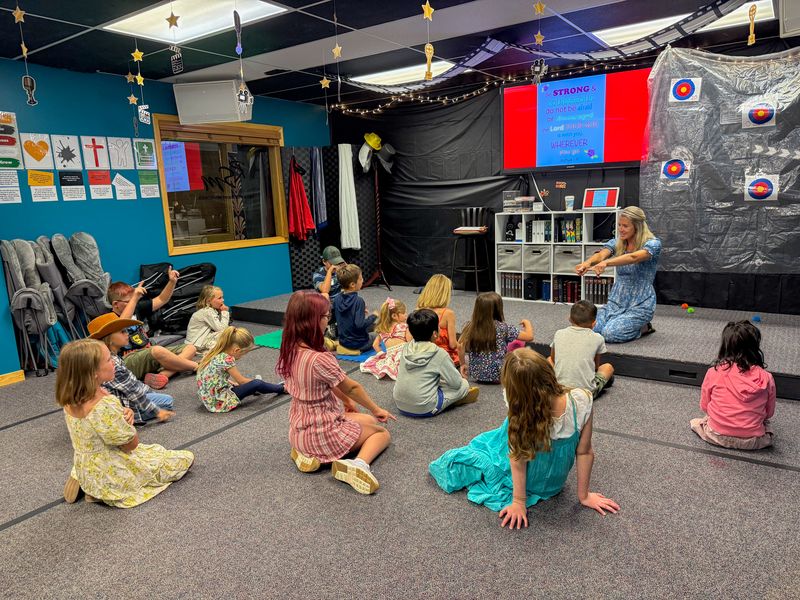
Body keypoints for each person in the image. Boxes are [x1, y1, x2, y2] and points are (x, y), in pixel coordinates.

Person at [429, 348, 619, 529]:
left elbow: (518, 458)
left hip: (528, 470)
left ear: (514, 392)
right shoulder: (582, 400)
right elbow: (584, 452)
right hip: (546, 479)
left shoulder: (521, 413)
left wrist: (519, 502)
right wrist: (583, 496)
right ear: (549, 372)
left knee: (480, 454)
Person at [277, 291, 395, 495]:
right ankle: (358, 465)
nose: (328, 321)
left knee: (367, 421)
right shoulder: (319, 358)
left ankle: (305, 453)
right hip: (322, 435)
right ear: (313, 321)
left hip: (299, 430)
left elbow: (331, 384)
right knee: (381, 433)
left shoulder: (289, 347)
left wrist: (347, 402)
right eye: (326, 316)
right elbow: (352, 387)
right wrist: (377, 409)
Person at [59, 339, 194, 508]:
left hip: (87, 466)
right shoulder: (104, 403)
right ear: (93, 373)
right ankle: (104, 490)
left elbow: (93, 430)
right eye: (109, 360)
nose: (113, 362)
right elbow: (130, 445)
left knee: (95, 450)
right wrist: (127, 423)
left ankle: (84, 480)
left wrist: (124, 412)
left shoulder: (69, 400)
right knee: (182, 459)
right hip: (113, 472)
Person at [574, 206, 662, 343]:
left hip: (640, 303)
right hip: (617, 300)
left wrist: (606, 263)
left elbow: (633, 257)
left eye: (625, 226)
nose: (620, 229)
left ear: (637, 227)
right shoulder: (617, 242)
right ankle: (619, 321)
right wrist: (587, 263)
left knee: (609, 334)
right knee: (593, 329)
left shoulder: (653, 244)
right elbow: (601, 255)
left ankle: (644, 327)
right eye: (619, 225)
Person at [690, 321, 776, 450]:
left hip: (716, 435)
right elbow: (769, 413)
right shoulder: (767, 377)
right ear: (755, 347)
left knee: (697, 422)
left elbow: (705, 406)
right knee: (766, 425)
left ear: (725, 347)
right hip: (752, 441)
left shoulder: (714, 372)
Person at [108, 270, 198, 389]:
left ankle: (162, 375)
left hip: (148, 352)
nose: (133, 303)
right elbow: (121, 324)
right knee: (158, 350)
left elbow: (161, 299)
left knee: (190, 348)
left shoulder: (137, 308)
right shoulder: (108, 318)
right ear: (115, 304)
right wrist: (134, 299)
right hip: (127, 360)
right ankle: (197, 366)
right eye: (128, 301)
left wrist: (172, 282)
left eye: (133, 300)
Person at [88, 313, 176, 425]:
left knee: (152, 394)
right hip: (124, 407)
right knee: (167, 401)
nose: (127, 333)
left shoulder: (111, 357)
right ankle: (128, 418)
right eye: (122, 331)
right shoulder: (112, 364)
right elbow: (133, 392)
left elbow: (132, 385)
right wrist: (158, 411)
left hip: (119, 402)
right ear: (109, 339)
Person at [393, 309, 479, 417]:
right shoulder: (439, 354)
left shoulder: (406, 347)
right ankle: (450, 400)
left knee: (431, 379)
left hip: (399, 403)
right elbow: (456, 383)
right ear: (435, 333)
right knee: (464, 385)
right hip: (424, 408)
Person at [196, 326, 284, 413]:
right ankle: (282, 388)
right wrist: (255, 382)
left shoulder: (214, 352)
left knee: (248, 385)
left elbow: (212, 376)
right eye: (243, 353)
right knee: (257, 383)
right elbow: (241, 381)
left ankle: (260, 388)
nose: (242, 356)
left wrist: (231, 383)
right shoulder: (226, 359)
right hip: (218, 401)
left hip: (207, 397)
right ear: (237, 350)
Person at [458, 292, 533, 384]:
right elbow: (529, 336)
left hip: (477, 374)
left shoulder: (470, 326)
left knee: (468, 356)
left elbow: (460, 346)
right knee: (517, 347)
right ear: (498, 309)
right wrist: (527, 323)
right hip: (499, 375)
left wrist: (462, 364)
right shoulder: (504, 328)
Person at [550, 300, 614, 399]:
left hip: (560, 390)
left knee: (548, 359)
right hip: (584, 394)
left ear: (569, 318)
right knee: (608, 367)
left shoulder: (559, 333)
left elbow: (553, 359)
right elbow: (595, 367)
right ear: (594, 323)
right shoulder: (598, 338)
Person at [360, 297, 411, 380]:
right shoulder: (404, 326)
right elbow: (410, 343)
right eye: (404, 313)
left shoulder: (382, 329)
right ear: (394, 316)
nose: (406, 314)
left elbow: (375, 345)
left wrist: (382, 354)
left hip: (390, 357)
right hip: (403, 354)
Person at [332, 263, 377, 354]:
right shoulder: (358, 301)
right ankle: (355, 351)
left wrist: (360, 312)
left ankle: (337, 344)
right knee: (377, 334)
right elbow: (359, 325)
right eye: (361, 278)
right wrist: (373, 316)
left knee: (371, 326)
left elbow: (337, 318)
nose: (363, 280)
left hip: (343, 340)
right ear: (352, 284)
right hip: (359, 344)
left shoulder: (336, 299)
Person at [416, 274, 460, 366]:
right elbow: (453, 345)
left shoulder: (418, 311)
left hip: (422, 356)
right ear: (445, 294)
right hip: (442, 358)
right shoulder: (448, 314)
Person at [185, 285, 230, 354]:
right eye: (219, 298)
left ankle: (213, 349)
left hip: (200, 339)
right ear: (209, 301)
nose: (223, 300)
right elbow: (222, 329)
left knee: (228, 333)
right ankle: (210, 351)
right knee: (226, 334)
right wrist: (225, 312)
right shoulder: (207, 312)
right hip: (196, 342)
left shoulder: (210, 310)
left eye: (222, 297)